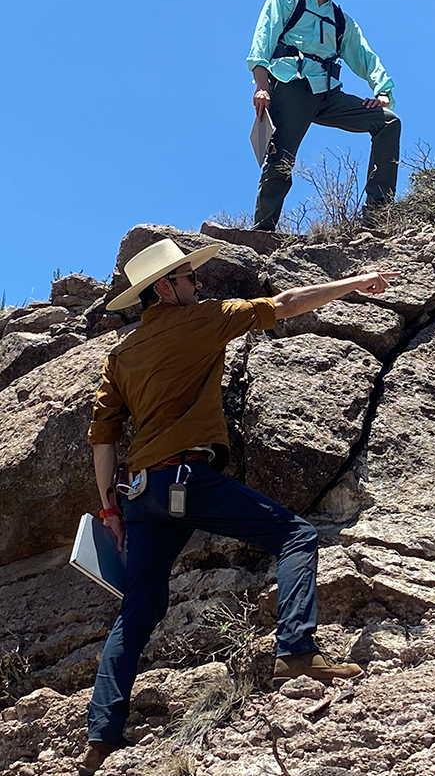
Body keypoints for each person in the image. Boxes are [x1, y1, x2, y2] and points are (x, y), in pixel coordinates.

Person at [80, 237, 399, 775]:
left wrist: (110, 512)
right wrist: (354, 284)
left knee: (136, 613)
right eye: (187, 277)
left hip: (144, 498)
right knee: (296, 536)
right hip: (186, 479)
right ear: (165, 287)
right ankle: (297, 650)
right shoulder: (204, 319)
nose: (196, 283)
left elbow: (102, 437)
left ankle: (100, 739)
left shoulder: (121, 355)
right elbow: (286, 302)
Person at [248, 0, 401, 232]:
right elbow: (261, 43)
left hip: (329, 93)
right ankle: (261, 236)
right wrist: (262, 85)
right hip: (291, 86)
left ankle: (377, 216)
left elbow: (365, 56)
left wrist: (383, 91)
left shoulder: (341, 20)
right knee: (281, 162)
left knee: (387, 122)